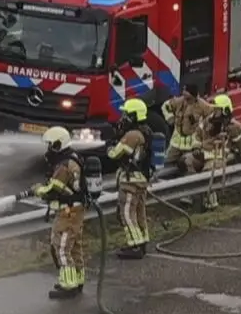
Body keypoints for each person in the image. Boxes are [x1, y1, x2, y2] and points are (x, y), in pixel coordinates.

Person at [26, 126, 89, 300]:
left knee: (61, 247)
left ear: (58, 144)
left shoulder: (63, 166)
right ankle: (77, 280)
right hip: (75, 209)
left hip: (68, 212)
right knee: (74, 246)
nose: (48, 149)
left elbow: (52, 188)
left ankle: (68, 285)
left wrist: (38, 189)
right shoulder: (72, 158)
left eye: (51, 145)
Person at [104, 97, 155, 259]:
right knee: (139, 211)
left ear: (133, 116)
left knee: (126, 213)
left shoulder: (132, 134)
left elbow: (114, 154)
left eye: (126, 114)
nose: (123, 118)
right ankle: (142, 241)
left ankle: (134, 246)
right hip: (141, 179)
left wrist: (110, 144)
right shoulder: (146, 131)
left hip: (130, 180)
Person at [188, 93, 241, 210]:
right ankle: (192, 193)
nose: (214, 111)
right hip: (204, 153)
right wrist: (196, 147)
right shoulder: (208, 120)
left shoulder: (234, 127)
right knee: (186, 161)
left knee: (207, 173)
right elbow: (197, 134)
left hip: (219, 156)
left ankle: (210, 202)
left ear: (225, 111)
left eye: (217, 109)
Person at [159, 83, 210, 177]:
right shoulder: (179, 101)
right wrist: (170, 118)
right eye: (184, 96)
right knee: (164, 164)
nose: (186, 99)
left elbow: (210, 119)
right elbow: (165, 106)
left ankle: (190, 181)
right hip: (176, 143)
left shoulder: (203, 106)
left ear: (194, 96)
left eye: (188, 97)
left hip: (191, 145)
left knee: (186, 163)